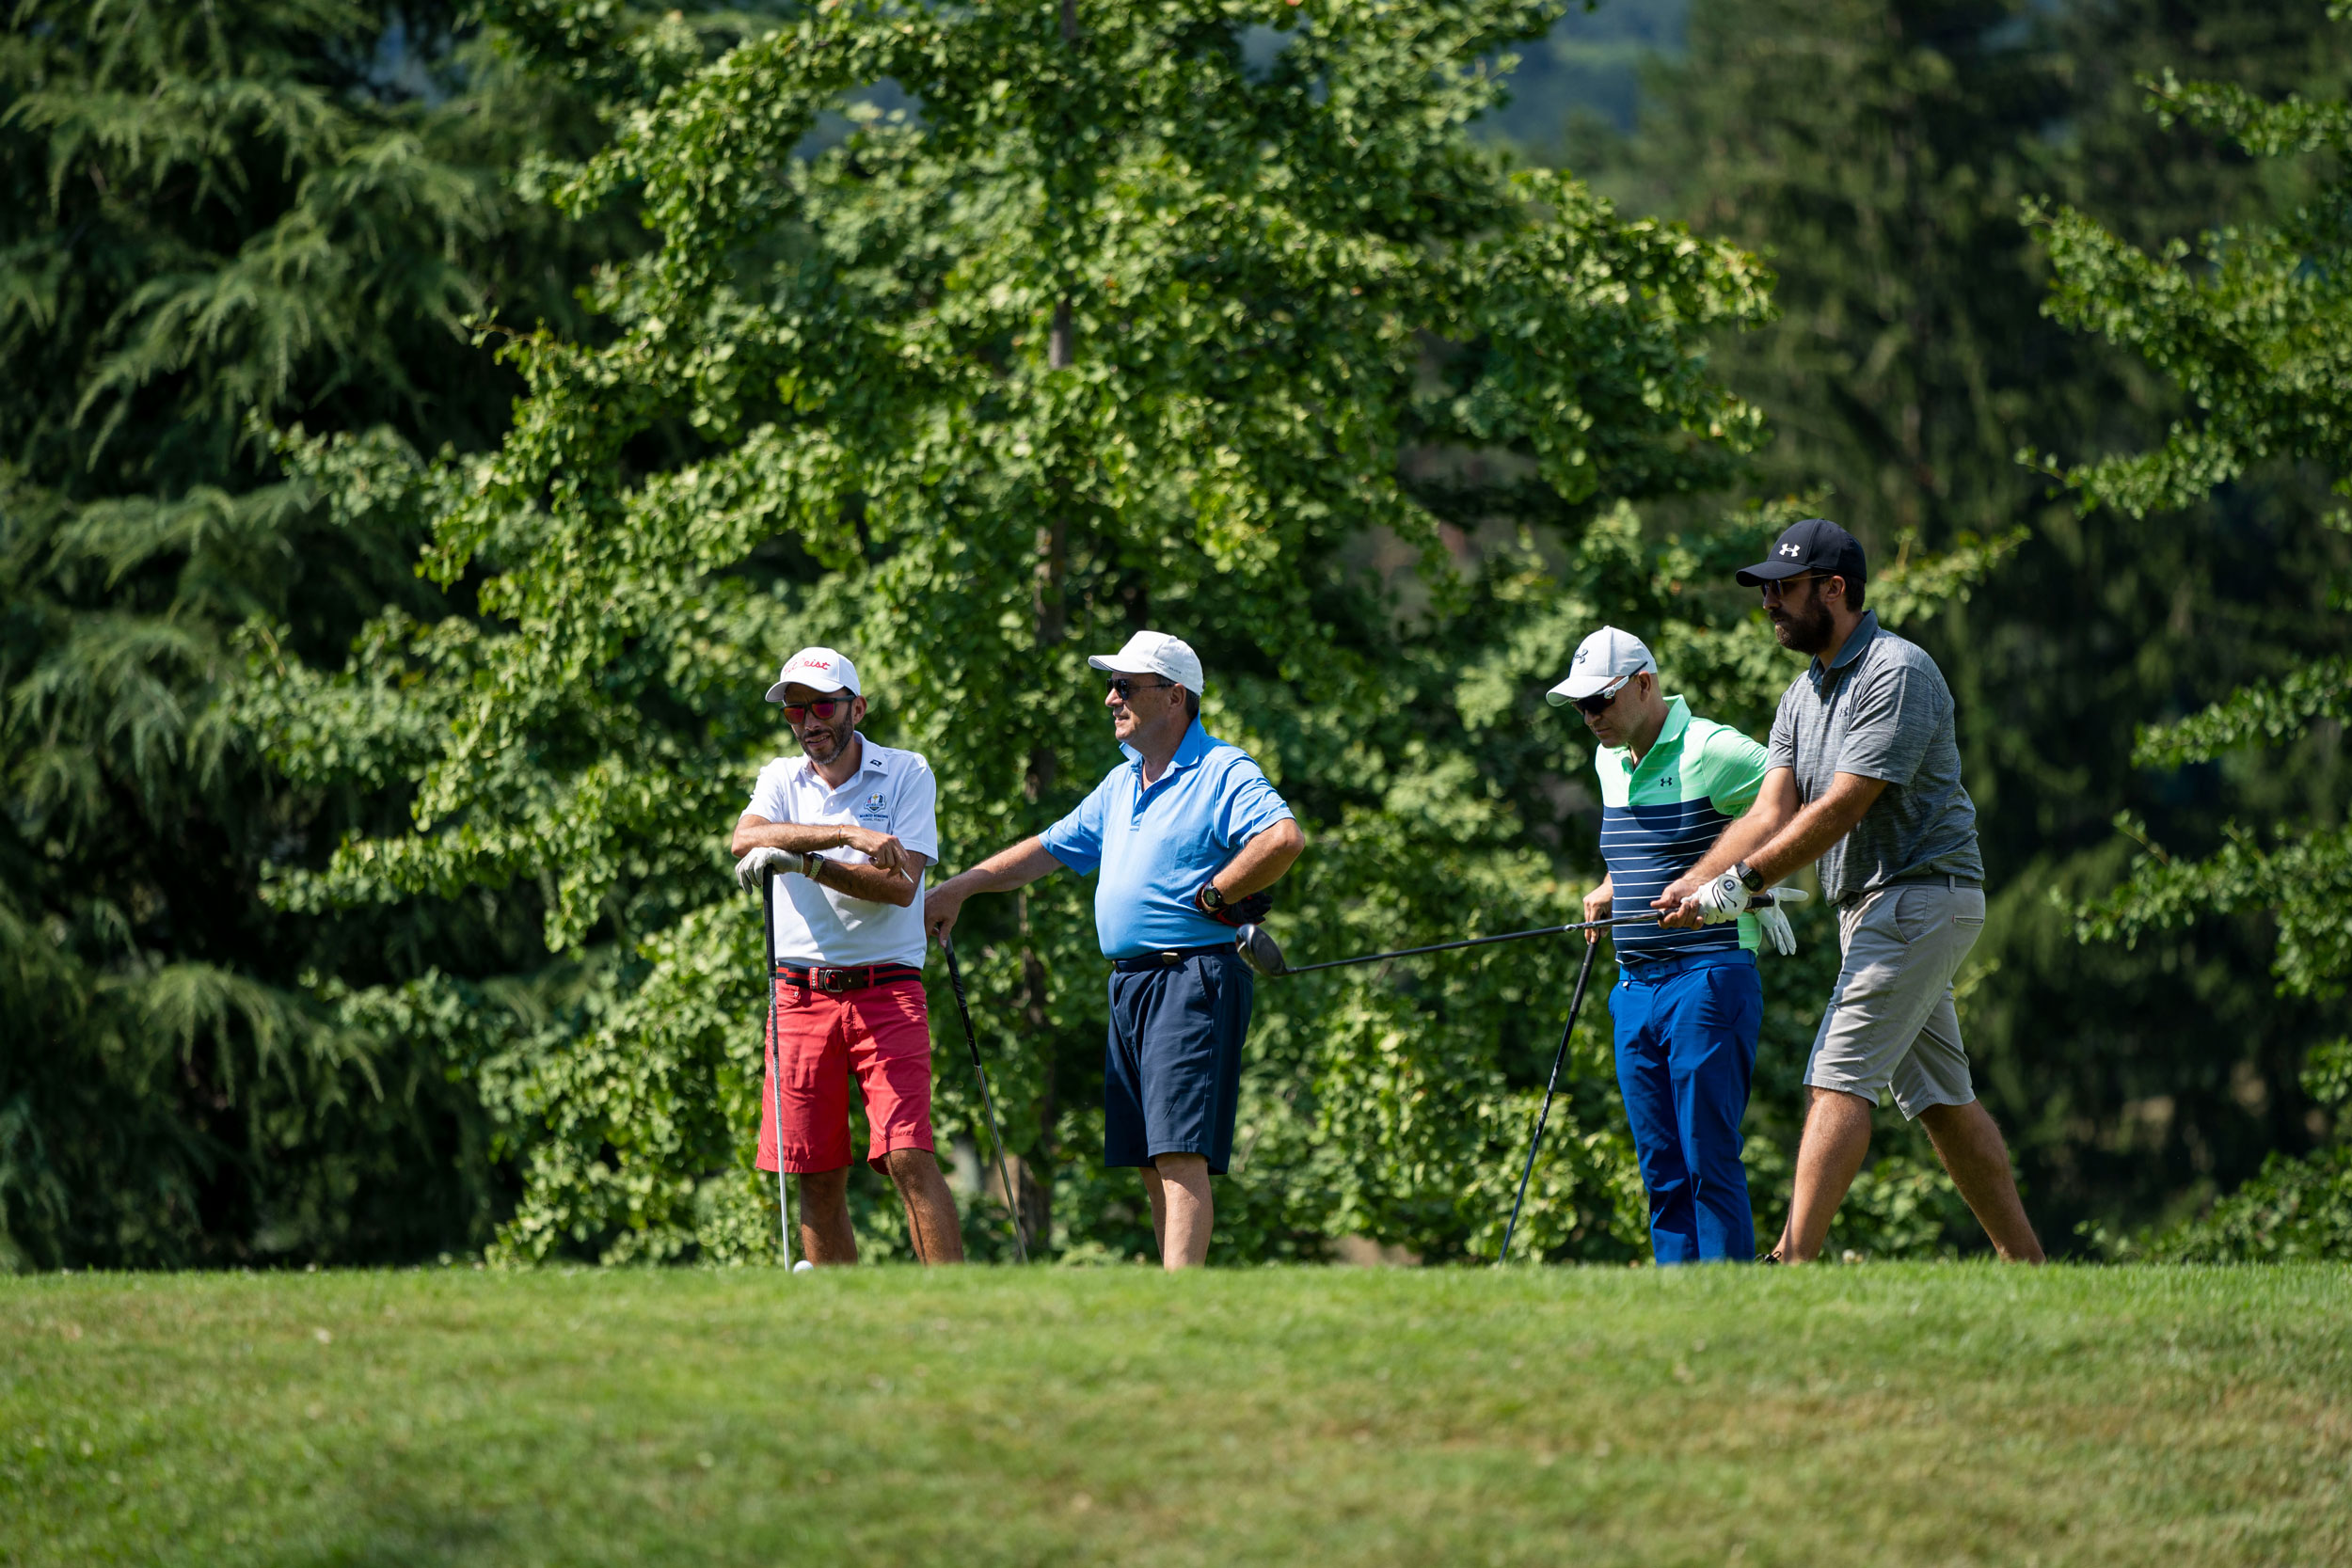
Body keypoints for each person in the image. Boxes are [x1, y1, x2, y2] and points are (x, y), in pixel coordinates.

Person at [1657, 518, 2044, 1263]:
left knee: (1837, 1073)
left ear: (1835, 588)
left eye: (1784, 587)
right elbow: (1771, 810)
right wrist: (1695, 882)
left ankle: (1791, 1260)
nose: (1768, 602)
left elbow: (1843, 803)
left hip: (1916, 894)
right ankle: (2028, 1265)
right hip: (1877, 905)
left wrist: (1742, 884)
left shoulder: (1897, 671)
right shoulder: (1803, 695)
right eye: (1765, 588)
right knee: (1942, 1101)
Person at [923, 631, 1305, 1270]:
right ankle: (1168, 1288)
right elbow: (1046, 848)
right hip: (1131, 984)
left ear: (1175, 695)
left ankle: (1178, 1301)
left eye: (1126, 686)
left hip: (1192, 978)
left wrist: (1217, 892)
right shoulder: (1122, 783)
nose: (1110, 699)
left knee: (1180, 1151)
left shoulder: (1222, 768)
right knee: (1150, 1157)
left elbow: (1283, 838)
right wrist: (962, 887)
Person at [1551, 626, 1793, 1264]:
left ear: (1644, 684)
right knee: (1660, 1170)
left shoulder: (1712, 748)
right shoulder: (1609, 758)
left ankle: (1727, 1309)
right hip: (1634, 987)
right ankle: (1679, 1309)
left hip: (1709, 977)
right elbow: (1642, 848)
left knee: (1706, 1160)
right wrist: (1611, 885)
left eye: (1599, 701)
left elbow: (1788, 803)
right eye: (1580, 706)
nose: (1590, 717)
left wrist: (1730, 883)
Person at [730, 645, 963, 1265]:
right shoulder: (781, 779)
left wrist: (806, 862)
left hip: (887, 989)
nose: (809, 721)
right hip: (799, 994)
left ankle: (960, 1309)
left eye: (823, 706)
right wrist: (842, 834)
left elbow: (900, 887)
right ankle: (841, 1318)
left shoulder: (907, 771)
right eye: (795, 711)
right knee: (817, 1171)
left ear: (856, 706)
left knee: (907, 1153)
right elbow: (743, 838)